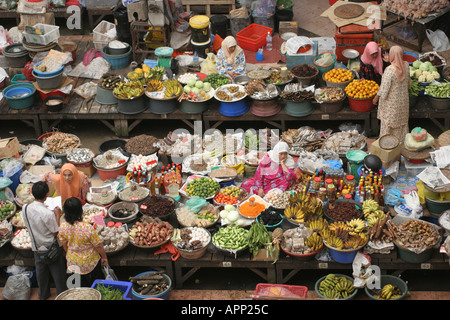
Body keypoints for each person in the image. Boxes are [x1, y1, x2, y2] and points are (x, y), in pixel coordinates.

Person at [22, 181, 67, 300]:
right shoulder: (48, 214)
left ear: (33, 193)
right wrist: (57, 214)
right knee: (58, 274)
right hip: (50, 248)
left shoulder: (25, 207)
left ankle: (43, 294)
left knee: (41, 273)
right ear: (47, 194)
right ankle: (62, 295)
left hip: (36, 247)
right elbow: (55, 231)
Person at [58, 197, 108, 287]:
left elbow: (64, 245)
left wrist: (70, 253)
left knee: (81, 288)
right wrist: (104, 257)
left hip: (73, 263)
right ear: (80, 210)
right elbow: (98, 245)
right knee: (95, 286)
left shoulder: (63, 227)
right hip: (90, 262)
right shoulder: (87, 227)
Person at [373, 45, 411, 142]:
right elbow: (409, 83)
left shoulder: (390, 70)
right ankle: (400, 143)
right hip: (403, 102)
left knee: (389, 124)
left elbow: (384, 90)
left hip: (391, 103)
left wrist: (376, 97)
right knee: (401, 124)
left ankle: (388, 144)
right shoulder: (406, 66)